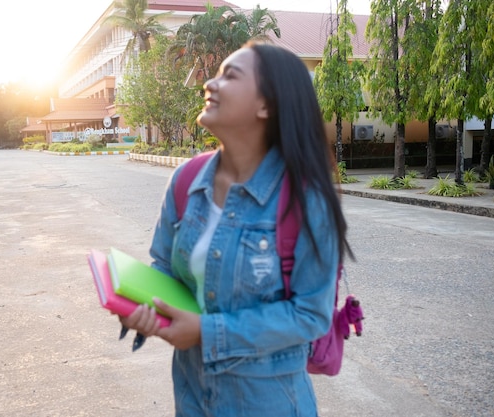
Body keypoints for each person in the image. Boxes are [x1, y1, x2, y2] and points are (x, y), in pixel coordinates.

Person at [120, 41, 352, 417]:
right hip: (193, 395)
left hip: (269, 403)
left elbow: (310, 315)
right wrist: (144, 305)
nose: (209, 84)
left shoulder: (306, 199)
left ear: (267, 105)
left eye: (230, 75)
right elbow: (164, 266)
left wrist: (207, 332)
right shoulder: (187, 180)